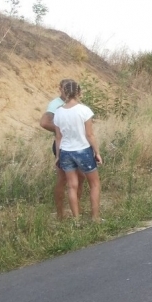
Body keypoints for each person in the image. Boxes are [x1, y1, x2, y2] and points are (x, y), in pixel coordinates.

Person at [52, 79, 104, 220]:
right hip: (83, 150)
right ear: (79, 92)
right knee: (94, 184)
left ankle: (76, 219)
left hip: (66, 152)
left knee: (72, 186)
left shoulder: (58, 112)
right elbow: (89, 134)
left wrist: (58, 155)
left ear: (64, 92)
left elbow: (58, 137)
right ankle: (95, 218)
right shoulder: (84, 110)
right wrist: (97, 152)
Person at [40, 79, 86, 219]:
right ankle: (60, 214)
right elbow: (44, 122)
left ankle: (75, 210)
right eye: (64, 88)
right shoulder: (55, 104)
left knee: (80, 178)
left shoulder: (73, 104)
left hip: (76, 144)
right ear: (60, 88)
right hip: (63, 144)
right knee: (62, 179)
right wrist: (65, 129)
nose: (66, 91)